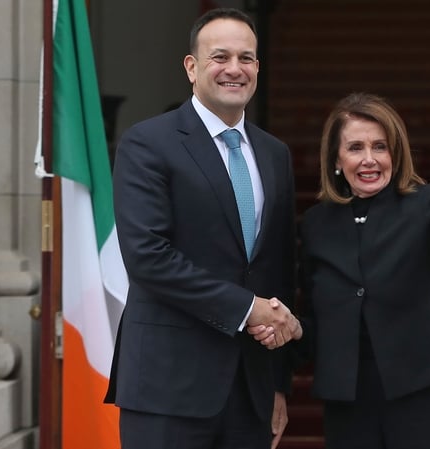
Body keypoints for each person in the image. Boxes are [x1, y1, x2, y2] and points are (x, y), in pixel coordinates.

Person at [250, 92, 430, 449]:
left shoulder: (425, 204)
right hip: (349, 405)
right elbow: (313, 317)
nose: (369, 159)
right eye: (355, 148)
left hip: (425, 398)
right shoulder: (317, 224)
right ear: (336, 158)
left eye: (380, 147)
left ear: (395, 154)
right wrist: (286, 341)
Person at [104, 8, 301, 449]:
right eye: (220, 57)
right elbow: (148, 257)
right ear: (192, 67)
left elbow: (278, 269)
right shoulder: (147, 142)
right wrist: (248, 309)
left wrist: (277, 383)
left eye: (246, 58)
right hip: (167, 388)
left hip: (250, 390)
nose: (235, 69)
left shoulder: (275, 154)